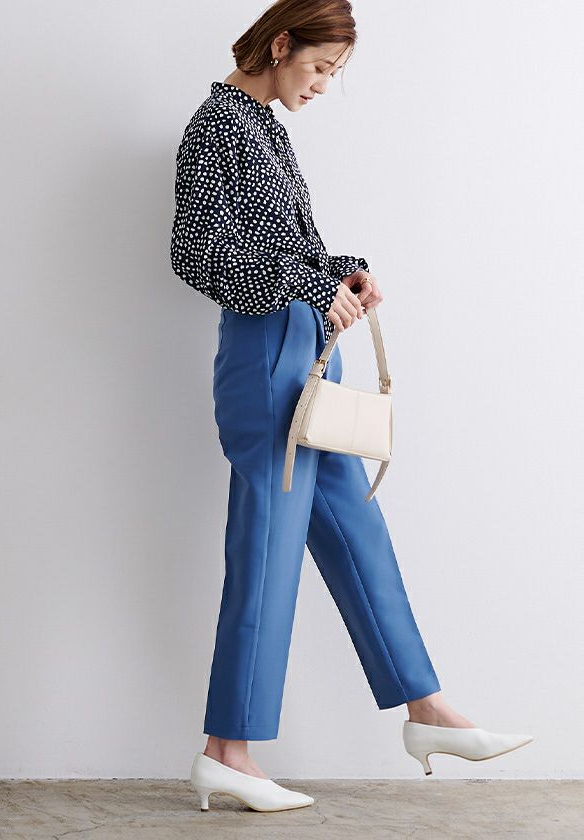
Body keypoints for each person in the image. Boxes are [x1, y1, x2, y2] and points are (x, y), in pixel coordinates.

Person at [169, 0, 532, 813]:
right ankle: (228, 751)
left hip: (304, 356)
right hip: (264, 360)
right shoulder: (217, 124)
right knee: (268, 551)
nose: (324, 86)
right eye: (321, 68)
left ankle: (426, 709)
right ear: (280, 44)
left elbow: (279, 248)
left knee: (358, 528)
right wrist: (304, 282)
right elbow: (194, 254)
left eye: (335, 73)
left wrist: (342, 272)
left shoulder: (264, 127)